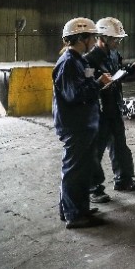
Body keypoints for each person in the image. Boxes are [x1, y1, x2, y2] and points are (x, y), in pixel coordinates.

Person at [52, 17, 112, 230]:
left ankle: (77, 209)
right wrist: (97, 83)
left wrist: (95, 83)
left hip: (84, 124)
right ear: (81, 38)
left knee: (81, 170)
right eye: (92, 37)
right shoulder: (69, 62)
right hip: (75, 126)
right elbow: (73, 94)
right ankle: (74, 215)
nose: (95, 41)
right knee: (74, 171)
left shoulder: (79, 60)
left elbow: (83, 87)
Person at [85, 16, 135, 203]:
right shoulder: (89, 59)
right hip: (99, 111)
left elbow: (119, 75)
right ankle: (94, 189)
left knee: (120, 145)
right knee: (96, 150)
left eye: (119, 39)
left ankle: (124, 180)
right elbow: (86, 87)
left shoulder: (113, 55)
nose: (117, 42)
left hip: (114, 107)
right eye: (114, 39)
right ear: (101, 38)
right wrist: (99, 83)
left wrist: (132, 68)